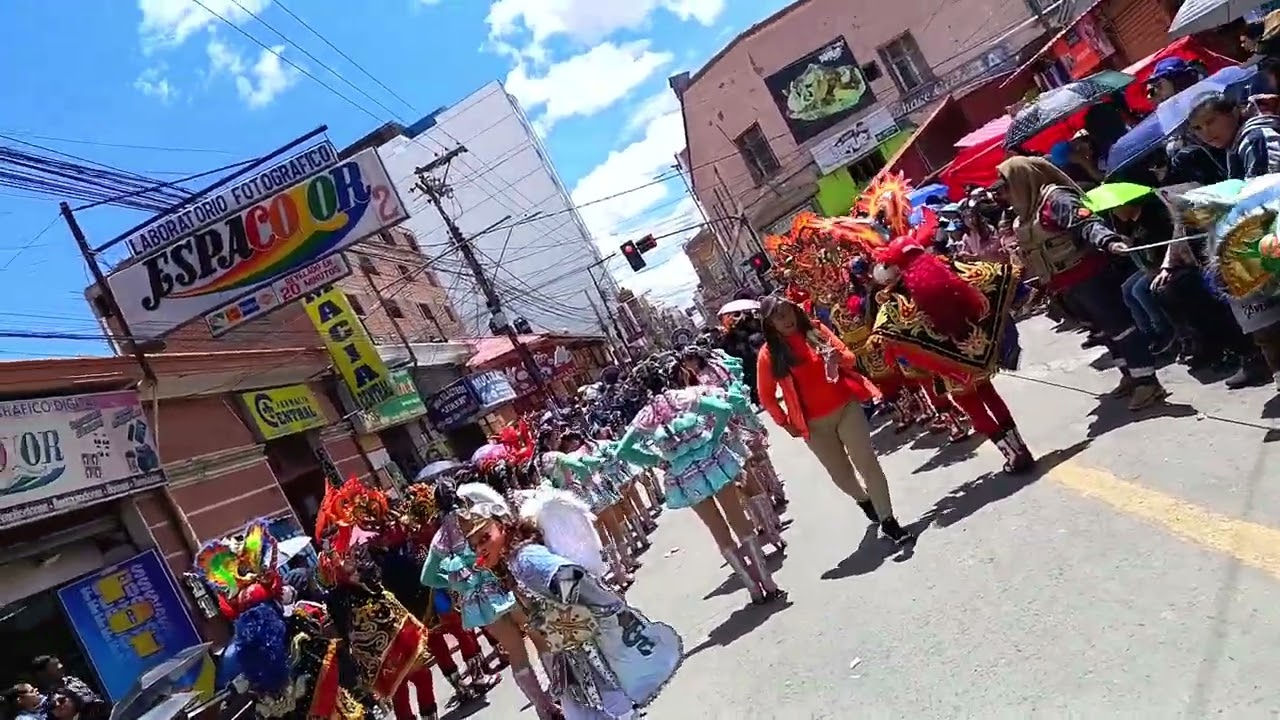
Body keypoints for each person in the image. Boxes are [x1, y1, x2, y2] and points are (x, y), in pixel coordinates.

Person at [448, 483, 682, 719]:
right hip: (571, 643)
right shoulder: (512, 561)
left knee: (607, 693)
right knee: (593, 699)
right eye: (474, 545)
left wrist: (565, 611)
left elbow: (570, 575)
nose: (480, 548)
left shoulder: (527, 559)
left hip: (585, 640)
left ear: (501, 525)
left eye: (484, 538)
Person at [995, 156, 1169, 409]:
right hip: (1064, 286)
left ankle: (1148, 383)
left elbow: (1087, 223)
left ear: (1022, 180)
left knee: (1120, 327)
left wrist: (1108, 241)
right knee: (1102, 331)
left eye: (1005, 186)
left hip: (1089, 277)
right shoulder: (1026, 210)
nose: (1003, 194)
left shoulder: (1056, 200)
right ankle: (1129, 375)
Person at [756, 296, 913, 545]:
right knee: (841, 475)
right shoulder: (769, 355)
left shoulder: (816, 330)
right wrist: (785, 422)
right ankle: (864, 499)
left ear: (796, 311)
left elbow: (850, 357)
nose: (786, 319)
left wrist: (836, 358)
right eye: (778, 316)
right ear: (770, 323)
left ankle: (888, 520)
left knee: (867, 462)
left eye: (788, 312)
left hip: (846, 408)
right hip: (813, 425)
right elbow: (766, 396)